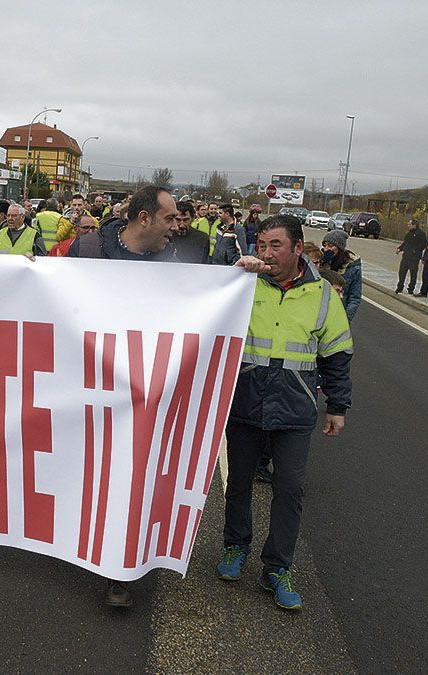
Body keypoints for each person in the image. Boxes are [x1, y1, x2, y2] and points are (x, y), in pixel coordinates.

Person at [66, 186, 264, 607]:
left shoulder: (176, 259)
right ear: (143, 219)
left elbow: (207, 294)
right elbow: (51, 298)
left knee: (131, 477)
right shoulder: (87, 248)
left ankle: (118, 570)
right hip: (90, 386)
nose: (178, 226)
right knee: (88, 473)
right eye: (170, 218)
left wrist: (239, 273)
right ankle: (76, 539)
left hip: (143, 394)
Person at [216, 214, 352, 612]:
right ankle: (234, 548)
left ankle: (277, 568)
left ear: (297, 249)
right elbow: (204, 308)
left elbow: (338, 353)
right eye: (262, 245)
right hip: (245, 402)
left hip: (294, 409)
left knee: (289, 490)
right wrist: (234, 273)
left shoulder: (323, 295)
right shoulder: (243, 284)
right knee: (238, 482)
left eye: (276, 245)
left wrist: (338, 406)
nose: (267, 253)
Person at [321, 229, 362, 322]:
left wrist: (345, 320)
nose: (326, 249)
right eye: (324, 245)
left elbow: (354, 297)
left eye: (330, 246)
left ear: (339, 248)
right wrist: (322, 263)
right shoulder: (321, 261)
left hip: (339, 315)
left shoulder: (353, 267)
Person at [395, 218, 428, 294]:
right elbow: (405, 242)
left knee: (413, 274)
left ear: (414, 225)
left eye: (409, 224)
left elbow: (423, 244)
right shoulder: (409, 233)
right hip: (406, 256)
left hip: (414, 257)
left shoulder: (421, 234)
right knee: (402, 272)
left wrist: (415, 250)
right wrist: (400, 248)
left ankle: (411, 288)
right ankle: (400, 286)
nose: (408, 225)